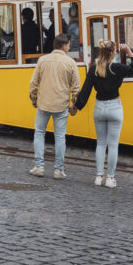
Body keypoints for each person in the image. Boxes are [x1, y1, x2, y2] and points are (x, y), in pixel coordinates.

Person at [72, 40, 133, 188]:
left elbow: (85, 91)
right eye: (116, 51)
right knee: (113, 145)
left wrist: (76, 107)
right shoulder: (117, 68)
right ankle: (110, 178)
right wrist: (129, 52)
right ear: (113, 53)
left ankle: (98, 177)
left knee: (100, 144)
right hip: (115, 108)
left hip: (99, 108)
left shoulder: (94, 69)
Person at [28, 33, 81, 179]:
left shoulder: (42, 60)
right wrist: (74, 105)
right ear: (64, 46)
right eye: (68, 44)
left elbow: (33, 83)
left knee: (39, 133)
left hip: (43, 104)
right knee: (60, 137)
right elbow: (76, 87)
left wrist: (34, 99)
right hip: (61, 105)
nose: (69, 47)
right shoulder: (70, 62)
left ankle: (39, 166)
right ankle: (58, 170)